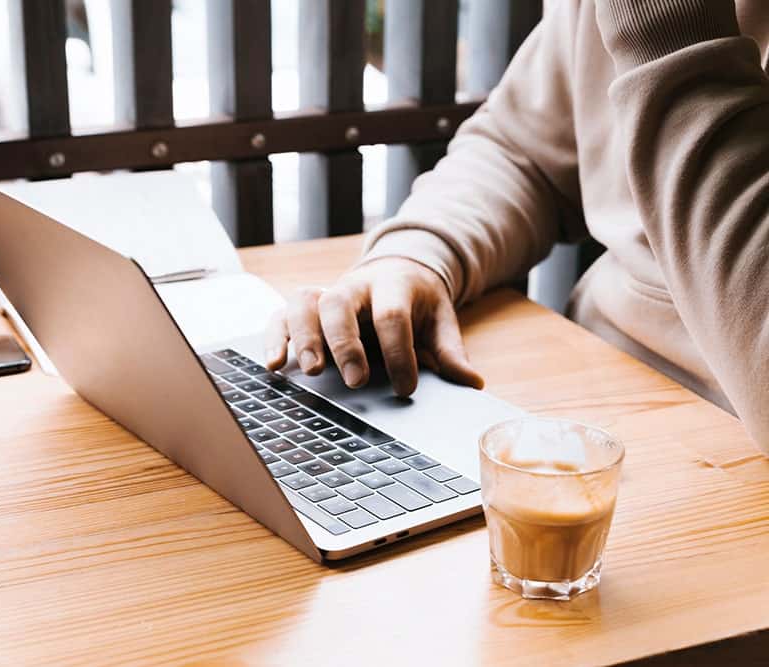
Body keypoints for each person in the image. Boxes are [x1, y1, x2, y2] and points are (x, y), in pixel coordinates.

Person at [264, 0, 769, 454]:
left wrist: (671, 31)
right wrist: (420, 253)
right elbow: (523, 152)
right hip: (593, 398)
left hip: (732, 466)